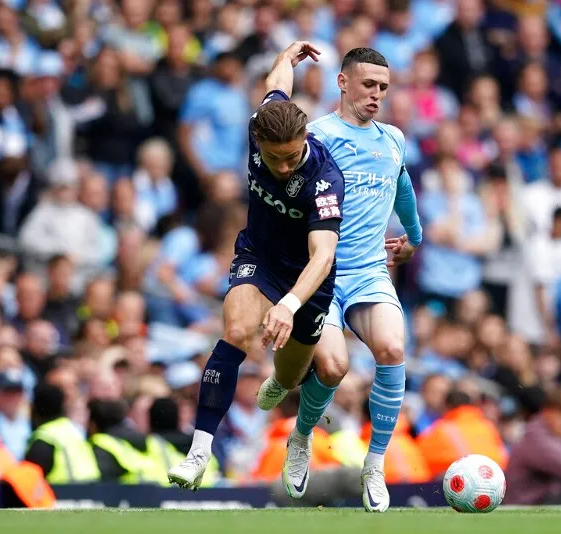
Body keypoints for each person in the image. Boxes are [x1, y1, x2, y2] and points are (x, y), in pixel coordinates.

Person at [167, 41, 345, 490]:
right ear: (258, 139)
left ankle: (293, 416)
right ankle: (199, 450)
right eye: (273, 157)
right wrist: (286, 57)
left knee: (290, 374)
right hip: (259, 257)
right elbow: (277, 84)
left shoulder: (324, 179)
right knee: (238, 333)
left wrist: (287, 304)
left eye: (292, 155)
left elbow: (323, 256)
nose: (284, 166)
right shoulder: (260, 122)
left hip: (306, 278)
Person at [255, 47, 422, 512]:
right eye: (369, 85)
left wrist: (414, 235)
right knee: (332, 367)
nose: (377, 95)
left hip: (369, 271)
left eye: (384, 88)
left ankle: (375, 464)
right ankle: (302, 437)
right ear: (343, 83)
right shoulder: (315, 138)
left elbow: (402, 186)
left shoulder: (393, 139)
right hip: (322, 271)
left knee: (392, 349)